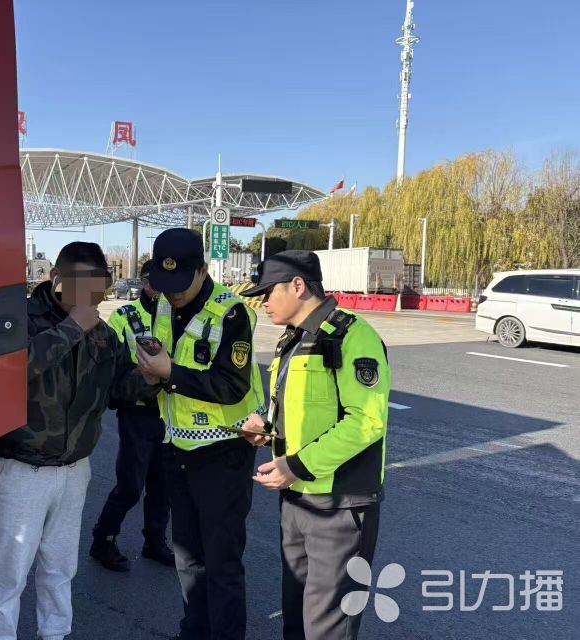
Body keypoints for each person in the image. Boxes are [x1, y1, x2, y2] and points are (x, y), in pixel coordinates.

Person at [0, 242, 160, 640]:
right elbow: (7, 372)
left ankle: (55, 633)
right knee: (8, 576)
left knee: (60, 568)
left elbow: (118, 386)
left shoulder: (103, 334)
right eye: (82, 284)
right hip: (23, 468)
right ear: (57, 277)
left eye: (98, 286)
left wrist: (148, 377)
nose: (92, 296)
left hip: (75, 469)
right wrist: (72, 327)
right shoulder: (20, 318)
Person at [239, 250, 391, 640]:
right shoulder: (294, 339)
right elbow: (303, 408)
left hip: (339, 508)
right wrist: (267, 426)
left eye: (268, 293)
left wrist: (296, 466)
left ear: (297, 285)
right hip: (296, 501)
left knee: (327, 627)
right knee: (296, 619)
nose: (263, 302)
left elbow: (366, 422)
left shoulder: (351, 335)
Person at [135, 228, 266, 640]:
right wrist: (151, 376)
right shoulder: (162, 305)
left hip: (223, 451)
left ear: (203, 270)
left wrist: (169, 373)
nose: (172, 293)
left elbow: (232, 385)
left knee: (221, 561)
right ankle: (193, 632)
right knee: (187, 557)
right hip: (177, 447)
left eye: (180, 283)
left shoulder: (232, 313)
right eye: (165, 282)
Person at [90, 260, 175, 571]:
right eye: (155, 280)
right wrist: (145, 380)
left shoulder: (180, 316)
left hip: (171, 414)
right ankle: (103, 539)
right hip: (137, 414)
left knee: (163, 486)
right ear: (145, 282)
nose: (161, 288)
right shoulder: (124, 316)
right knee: (130, 486)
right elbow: (110, 367)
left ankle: (155, 541)